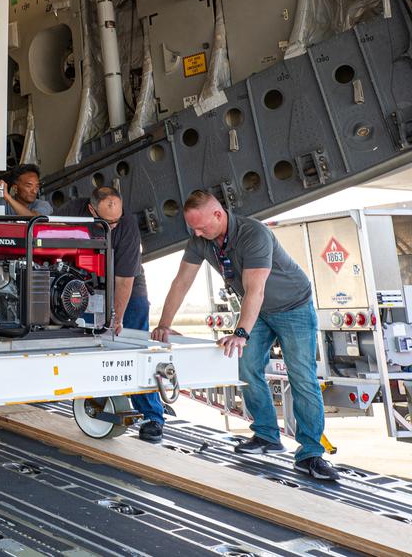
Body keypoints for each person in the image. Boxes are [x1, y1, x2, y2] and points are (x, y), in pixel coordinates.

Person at [151, 190, 337, 481]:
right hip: (258, 311)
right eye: (193, 228)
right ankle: (267, 436)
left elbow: (255, 290)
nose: (197, 233)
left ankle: (310, 454)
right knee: (245, 367)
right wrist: (164, 324)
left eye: (201, 226)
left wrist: (240, 332)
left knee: (302, 376)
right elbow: (181, 281)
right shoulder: (201, 240)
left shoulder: (254, 234)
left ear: (218, 214)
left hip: (292, 306)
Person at [57, 186, 164, 442]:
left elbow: (124, 280)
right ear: (91, 210)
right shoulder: (74, 210)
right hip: (87, 286)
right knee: (89, 346)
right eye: (108, 222)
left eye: (117, 219)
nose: (114, 225)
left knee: (134, 348)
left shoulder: (127, 225)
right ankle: (96, 401)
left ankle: (152, 416)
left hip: (128, 290)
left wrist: (116, 317)